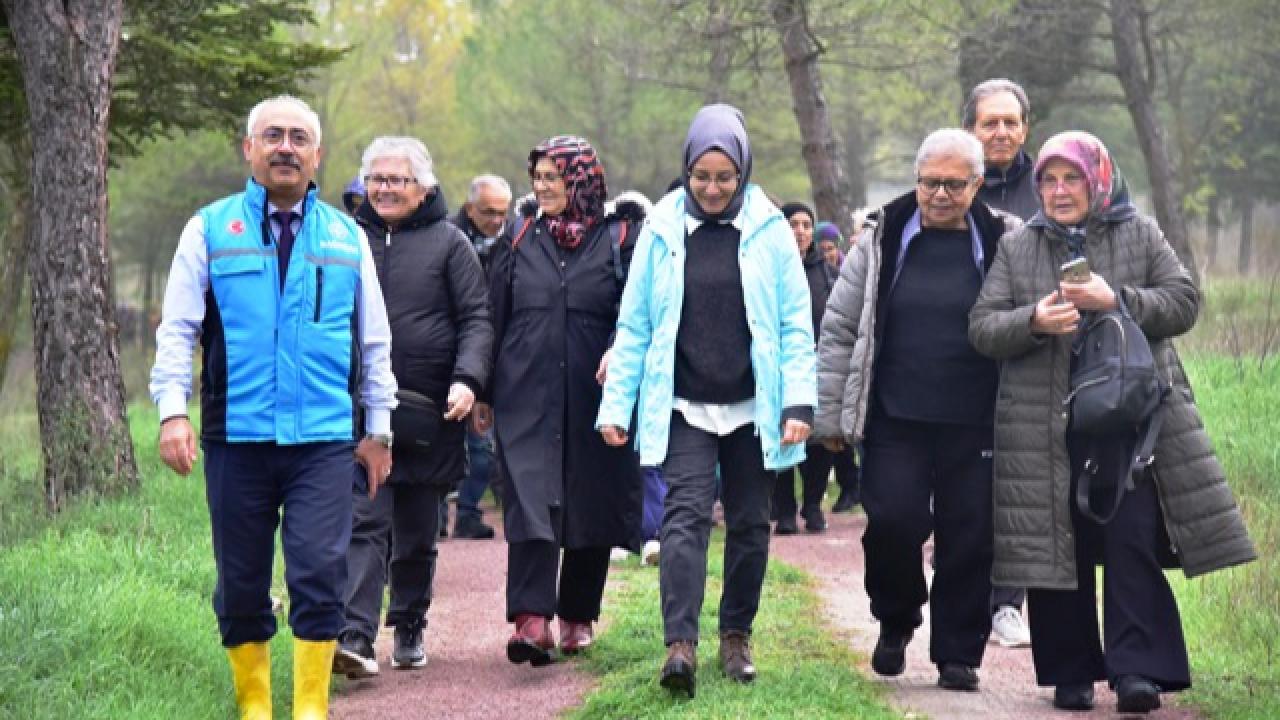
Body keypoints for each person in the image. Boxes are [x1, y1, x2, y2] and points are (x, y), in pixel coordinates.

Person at [969, 131, 1255, 714]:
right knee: (1059, 547)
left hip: (1132, 422)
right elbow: (982, 326)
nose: (1057, 191)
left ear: (1097, 180)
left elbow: (1183, 303)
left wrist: (1116, 299)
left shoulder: (1139, 232)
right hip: (1047, 425)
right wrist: (1033, 321)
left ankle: (1137, 672)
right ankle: (1071, 673)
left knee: (1131, 540)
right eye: (1047, 180)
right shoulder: (1018, 247)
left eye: (1071, 178)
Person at [150, 94, 397, 719]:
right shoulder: (209, 229)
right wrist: (172, 411)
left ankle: (310, 710)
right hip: (237, 439)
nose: (285, 147)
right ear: (250, 149)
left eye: (298, 138)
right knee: (239, 583)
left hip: (322, 442)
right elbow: (177, 330)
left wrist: (380, 428)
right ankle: (255, 708)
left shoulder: (348, 238)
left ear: (317, 156)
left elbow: (373, 340)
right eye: (272, 136)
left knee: (318, 574)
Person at [598, 104, 817, 697]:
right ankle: (680, 646)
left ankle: (736, 636)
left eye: (725, 177)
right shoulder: (662, 229)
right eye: (702, 177)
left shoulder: (771, 231)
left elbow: (796, 324)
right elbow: (635, 324)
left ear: (743, 170)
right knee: (684, 520)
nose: (714, 188)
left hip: (754, 406)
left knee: (750, 523)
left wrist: (799, 403)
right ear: (687, 171)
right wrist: (616, 407)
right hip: (685, 403)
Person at [814, 128, 1021, 692]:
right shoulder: (880, 241)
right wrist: (831, 417)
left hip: (976, 417)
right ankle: (896, 616)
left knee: (971, 535)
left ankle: (959, 651)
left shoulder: (1006, 240)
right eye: (930, 182)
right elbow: (839, 327)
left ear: (977, 184)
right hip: (895, 417)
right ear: (916, 179)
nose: (940, 194)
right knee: (893, 522)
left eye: (955, 184)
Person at [476, 135, 645, 667]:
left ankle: (576, 616)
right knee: (528, 497)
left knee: (590, 499)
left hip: (596, 393)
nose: (542, 187)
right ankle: (530, 619)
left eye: (553, 176)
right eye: (538, 177)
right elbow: (492, 314)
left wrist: (620, 351)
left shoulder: (620, 238)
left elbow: (635, 314)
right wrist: (481, 389)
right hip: (525, 389)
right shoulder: (520, 236)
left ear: (581, 180)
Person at [332, 137, 492, 677]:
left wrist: (467, 380)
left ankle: (408, 622)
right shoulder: (344, 239)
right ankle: (354, 636)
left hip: (429, 414)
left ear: (422, 187)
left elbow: (476, 318)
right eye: (376, 179)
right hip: (359, 411)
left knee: (418, 531)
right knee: (364, 521)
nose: (384, 189)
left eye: (396, 180)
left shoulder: (451, 245)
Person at [963, 76, 1038, 649]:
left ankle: (1007, 602)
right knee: (967, 485)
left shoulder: (1051, 185)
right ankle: (962, 572)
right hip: (960, 360)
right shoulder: (950, 183)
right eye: (990, 121)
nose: (1002, 131)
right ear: (970, 128)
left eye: (1011, 121)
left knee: (1019, 484)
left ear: (1026, 128)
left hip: (1030, 359)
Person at [450, 174, 514, 540]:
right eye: (489, 212)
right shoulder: (449, 238)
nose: (496, 221)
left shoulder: (510, 242)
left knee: (482, 447)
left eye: (502, 213)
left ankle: (469, 511)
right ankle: (439, 514)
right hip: (451, 351)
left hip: (490, 355)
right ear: (471, 208)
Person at [771, 202, 838, 534]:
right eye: (792, 224)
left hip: (819, 366)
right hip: (779, 367)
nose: (799, 231)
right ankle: (784, 509)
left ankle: (812, 503)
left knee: (819, 440)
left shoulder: (826, 271)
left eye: (805, 225)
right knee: (783, 435)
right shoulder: (772, 266)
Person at [964, 78, 1039, 222]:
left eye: (1010, 123)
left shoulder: (1046, 187)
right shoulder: (954, 190)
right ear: (969, 132)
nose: (1002, 134)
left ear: (1023, 132)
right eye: (990, 124)